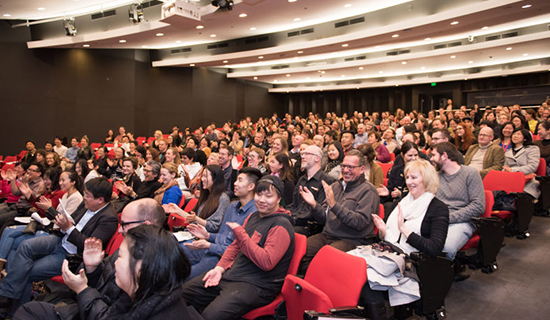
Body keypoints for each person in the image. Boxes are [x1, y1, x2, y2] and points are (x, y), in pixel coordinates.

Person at [13, 199, 170, 320]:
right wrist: (92, 267)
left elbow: (108, 313)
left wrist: (83, 290)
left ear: (145, 225)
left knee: (29, 311)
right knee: (37, 303)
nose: (120, 230)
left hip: (93, 309)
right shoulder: (132, 245)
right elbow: (103, 285)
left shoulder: (151, 265)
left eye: (124, 224)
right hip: (90, 304)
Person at [181, 175, 295, 320]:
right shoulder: (254, 217)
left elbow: (267, 262)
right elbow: (234, 247)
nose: (262, 200)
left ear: (279, 199)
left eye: (268, 196)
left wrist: (242, 236)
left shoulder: (281, 224)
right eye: (259, 194)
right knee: (183, 293)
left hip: (256, 285)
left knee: (210, 315)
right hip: (232, 275)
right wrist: (219, 269)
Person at [0, 177, 118, 312]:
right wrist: (61, 221)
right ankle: (6, 294)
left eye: (88, 195)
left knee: (27, 272)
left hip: (71, 255)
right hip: (60, 239)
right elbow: (71, 221)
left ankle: (15, 310)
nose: (84, 197)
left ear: (100, 200)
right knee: (25, 246)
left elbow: (88, 246)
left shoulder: (109, 218)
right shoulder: (86, 205)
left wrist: (68, 228)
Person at [357, 160, 449, 319]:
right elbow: (392, 238)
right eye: (407, 177)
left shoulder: (438, 208)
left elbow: (434, 248)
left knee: (365, 279)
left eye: (414, 177)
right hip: (389, 252)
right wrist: (384, 230)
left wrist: (406, 231)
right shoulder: (403, 202)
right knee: (351, 263)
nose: (409, 182)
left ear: (427, 179)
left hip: (412, 262)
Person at [299, 150, 379, 272]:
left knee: (326, 257)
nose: (346, 170)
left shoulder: (368, 191)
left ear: (362, 169)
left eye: (351, 167)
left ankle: (319, 284)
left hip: (352, 239)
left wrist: (334, 205)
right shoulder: (336, 186)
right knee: (300, 250)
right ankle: (307, 284)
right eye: (344, 166)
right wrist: (314, 205)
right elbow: (323, 218)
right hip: (328, 235)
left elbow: (360, 223)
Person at [181, 167, 261, 280]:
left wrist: (209, 245)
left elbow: (238, 250)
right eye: (236, 180)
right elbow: (223, 236)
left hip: (224, 259)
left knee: (184, 275)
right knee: (173, 254)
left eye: (240, 180)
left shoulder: (254, 213)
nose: (235, 183)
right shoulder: (232, 206)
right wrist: (207, 235)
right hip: (212, 250)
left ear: (251, 186)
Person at [0, 170, 83, 270]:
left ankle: (11, 272)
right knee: (8, 230)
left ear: (73, 182)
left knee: (15, 241)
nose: (60, 183)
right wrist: (46, 208)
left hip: (56, 234)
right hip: (48, 225)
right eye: (59, 180)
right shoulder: (65, 195)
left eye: (63, 180)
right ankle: (9, 272)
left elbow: (64, 221)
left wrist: (49, 208)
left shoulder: (76, 198)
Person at [430, 142, 484, 261]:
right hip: (439, 220)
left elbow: (478, 206)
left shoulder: (470, 173)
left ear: (444, 156)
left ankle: (440, 277)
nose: (431, 159)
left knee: (445, 249)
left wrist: (449, 217)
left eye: (433, 155)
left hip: (462, 221)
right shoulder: (436, 176)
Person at [164, 165, 230, 233]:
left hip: (206, 237)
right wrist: (177, 210)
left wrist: (196, 219)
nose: (202, 179)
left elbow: (215, 226)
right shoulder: (206, 195)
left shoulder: (223, 198)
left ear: (215, 178)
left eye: (205, 176)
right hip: (195, 232)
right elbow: (193, 218)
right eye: (202, 176)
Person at [286, 145, 335, 236]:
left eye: (307, 154)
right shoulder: (302, 180)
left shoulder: (327, 181)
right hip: (295, 220)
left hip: (309, 226)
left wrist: (292, 218)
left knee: (283, 231)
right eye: (302, 154)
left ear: (317, 158)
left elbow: (320, 213)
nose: (302, 156)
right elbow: (294, 204)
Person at [0, 162, 46, 235]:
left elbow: (33, 198)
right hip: (16, 206)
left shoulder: (40, 184)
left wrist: (26, 183)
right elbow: (15, 192)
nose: (29, 171)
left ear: (39, 173)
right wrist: (12, 180)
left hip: (24, 210)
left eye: (32, 170)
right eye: (29, 169)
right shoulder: (28, 180)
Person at [503, 128, 541, 199]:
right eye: (514, 134)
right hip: (510, 179)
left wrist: (512, 170)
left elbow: (532, 166)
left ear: (525, 138)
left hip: (527, 180)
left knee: (520, 197)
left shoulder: (532, 149)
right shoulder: (508, 151)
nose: (515, 136)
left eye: (518, 134)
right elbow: (505, 166)